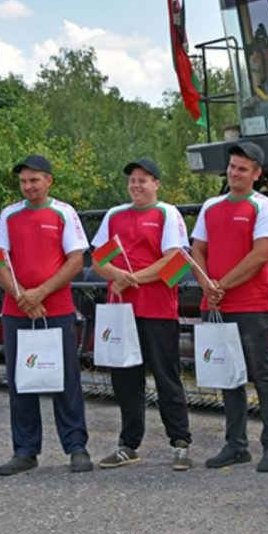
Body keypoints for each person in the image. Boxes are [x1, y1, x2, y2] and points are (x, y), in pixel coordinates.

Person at [0, 155, 92, 476]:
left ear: (49, 180)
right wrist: (22, 296)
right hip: (16, 310)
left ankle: (76, 446)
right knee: (22, 380)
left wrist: (40, 293)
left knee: (65, 379)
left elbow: (75, 260)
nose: (28, 186)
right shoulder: (9, 215)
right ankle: (25, 450)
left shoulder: (64, 213)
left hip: (56, 308)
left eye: (34, 180)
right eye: (23, 181)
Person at [90, 159, 194, 472]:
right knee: (125, 379)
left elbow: (172, 260)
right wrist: (118, 275)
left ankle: (180, 442)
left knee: (166, 376)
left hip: (157, 308)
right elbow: (97, 260)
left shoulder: (166, 213)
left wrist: (130, 278)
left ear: (156, 184)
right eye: (133, 181)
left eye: (143, 181)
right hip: (121, 310)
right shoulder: (114, 215)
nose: (136, 186)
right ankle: (128, 444)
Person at [191, 142, 268, 472]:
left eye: (243, 169)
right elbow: (197, 249)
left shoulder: (264, 207)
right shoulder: (211, 206)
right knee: (227, 376)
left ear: (256, 174)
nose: (234, 173)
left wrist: (222, 284)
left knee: (263, 375)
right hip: (216, 302)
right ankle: (235, 445)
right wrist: (206, 283)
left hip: (250, 303)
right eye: (232, 166)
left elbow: (260, 254)